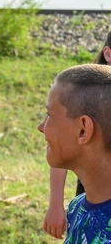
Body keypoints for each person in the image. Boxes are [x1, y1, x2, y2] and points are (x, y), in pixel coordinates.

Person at [43, 30, 111, 239]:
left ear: (84, 130)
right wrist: (56, 203)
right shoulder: (77, 207)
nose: (40, 127)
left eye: (49, 116)